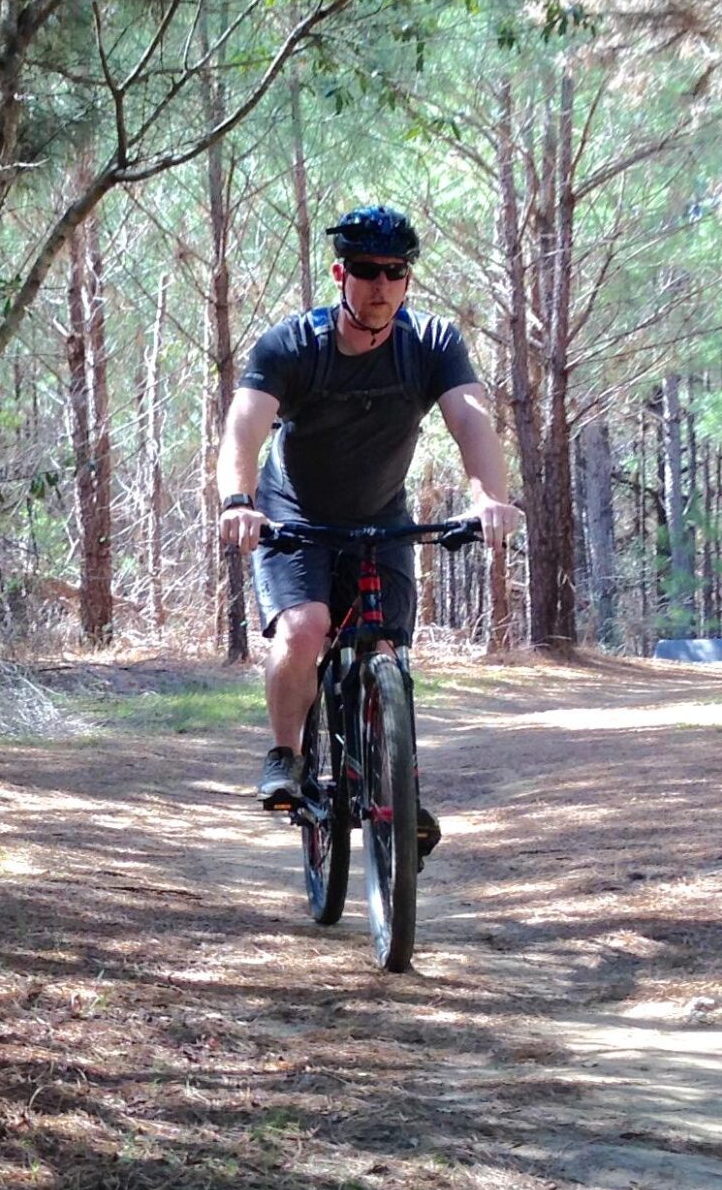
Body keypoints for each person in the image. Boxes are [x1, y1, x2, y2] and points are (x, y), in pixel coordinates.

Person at [215, 206, 523, 822]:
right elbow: (244, 427)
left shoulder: (432, 343)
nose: (379, 284)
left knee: (385, 647)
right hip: (293, 512)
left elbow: (470, 418)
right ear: (340, 273)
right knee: (305, 628)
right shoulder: (294, 344)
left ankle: (392, 793)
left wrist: (487, 496)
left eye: (393, 271)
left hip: (382, 514)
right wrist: (238, 501)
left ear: (407, 279)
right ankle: (286, 754)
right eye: (364, 269)